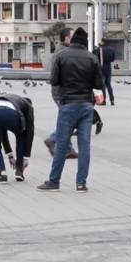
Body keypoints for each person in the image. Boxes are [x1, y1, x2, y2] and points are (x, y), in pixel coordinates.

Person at [37, 27, 104, 193]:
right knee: (85, 145)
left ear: (72, 40)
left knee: (61, 144)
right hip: (86, 106)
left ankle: (54, 182)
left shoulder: (61, 56)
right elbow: (98, 85)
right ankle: (81, 183)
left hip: (67, 105)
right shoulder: (92, 58)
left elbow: (54, 81)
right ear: (85, 41)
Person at [44, 28, 78, 159]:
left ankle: (68, 149)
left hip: (60, 91)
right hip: (62, 92)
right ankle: (53, 139)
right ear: (66, 38)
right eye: (72, 36)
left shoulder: (61, 50)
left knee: (66, 119)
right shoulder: (64, 52)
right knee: (70, 120)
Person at [0, 94, 34, 184]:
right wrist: (26, 157)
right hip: (11, 114)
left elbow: (3, 132)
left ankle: (2, 174)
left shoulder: (10, 99)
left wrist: (10, 155)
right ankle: (19, 171)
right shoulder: (28, 106)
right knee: (21, 137)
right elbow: (29, 132)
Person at [96, 37, 115, 106]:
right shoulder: (111, 49)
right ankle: (112, 100)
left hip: (101, 69)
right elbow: (113, 59)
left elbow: (96, 58)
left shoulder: (99, 49)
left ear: (102, 42)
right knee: (109, 85)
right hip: (108, 69)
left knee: (102, 86)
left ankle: (103, 101)